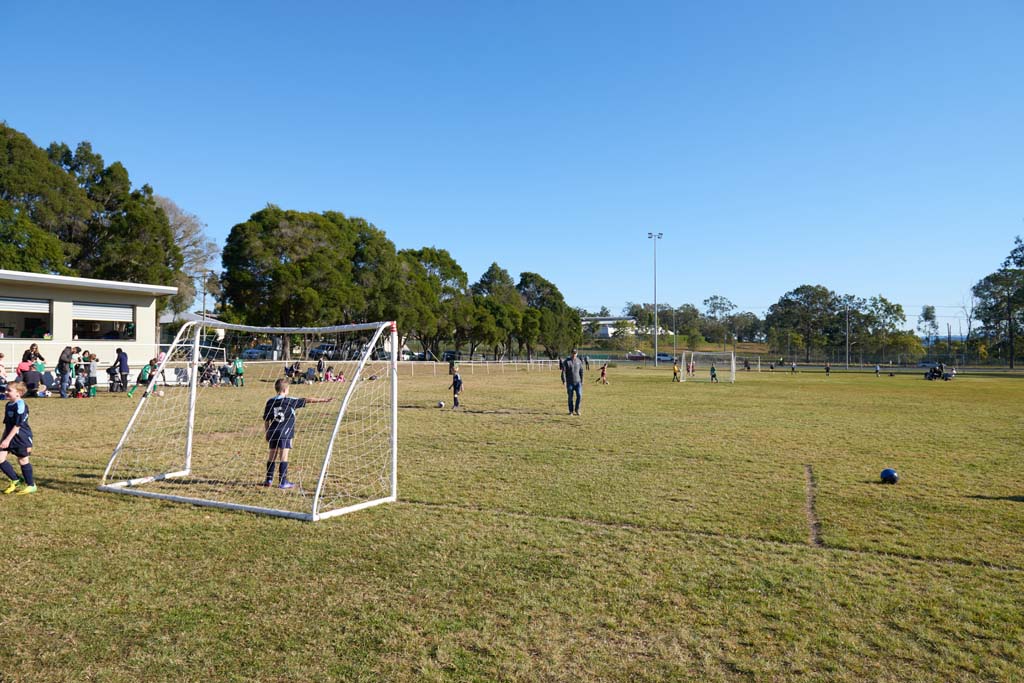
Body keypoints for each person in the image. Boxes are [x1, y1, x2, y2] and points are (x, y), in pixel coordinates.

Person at [262, 378, 333, 488]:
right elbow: (307, 400)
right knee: (283, 456)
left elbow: (266, 420)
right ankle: (283, 481)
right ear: (286, 389)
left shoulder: (269, 402)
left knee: (272, 455)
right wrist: (323, 400)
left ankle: (269, 479)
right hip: (285, 432)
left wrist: (267, 433)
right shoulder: (289, 400)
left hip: (272, 431)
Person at [1, 382, 37, 494]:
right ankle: (15, 480)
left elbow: (18, 425)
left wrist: (7, 440)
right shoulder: (8, 405)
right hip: (9, 435)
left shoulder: (21, 405)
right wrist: (3, 438)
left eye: (9, 390)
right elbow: (8, 424)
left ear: (19, 393)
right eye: (6, 390)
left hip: (21, 437)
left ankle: (31, 485)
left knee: (23, 460)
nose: (6, 392)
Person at [561, 348, 585, 416]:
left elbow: (581, 371)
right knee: (570, 397)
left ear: (577, 354)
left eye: (575, 353)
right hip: (570, 383)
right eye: (573, 353)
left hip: (578, 382)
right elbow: (563, 372)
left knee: (579, 395)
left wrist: (582, 380)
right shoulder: (566, 361)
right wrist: (564, 380)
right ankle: (571, 411)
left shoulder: (579, 361)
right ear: (571, 353)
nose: (574, 354)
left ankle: (577, 410)